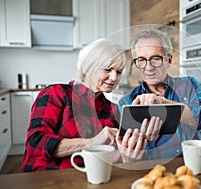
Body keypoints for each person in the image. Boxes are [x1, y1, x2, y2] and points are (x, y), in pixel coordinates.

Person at [20, 38, 163, 172]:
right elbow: (35, 144)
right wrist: (92, 142)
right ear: (89, 68)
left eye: (118, 72)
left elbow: (113, 159)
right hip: (44, 181)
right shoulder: (56, 93)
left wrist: (128, 155)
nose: (114, 78)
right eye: (107, 70)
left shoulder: (114, 109)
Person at [118, 29, 201, 160]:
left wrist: (162, 103)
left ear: (169, 60)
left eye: (156, 59)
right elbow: (129, 151)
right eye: (141, 60)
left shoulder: (189, 84)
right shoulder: (126, 102)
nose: (149, 67)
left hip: (194, 166)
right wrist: (127, 157)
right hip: (153, 171)